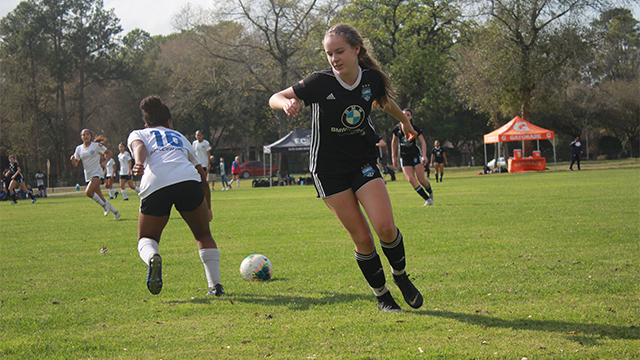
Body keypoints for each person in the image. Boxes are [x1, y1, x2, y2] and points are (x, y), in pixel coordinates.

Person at [269, 23, 423, 312]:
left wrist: (404, 122)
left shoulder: (371, 79)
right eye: (329, 54)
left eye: (339, 51)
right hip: (328, 171)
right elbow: (275, 97)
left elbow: (385, 102)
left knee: (386, 228)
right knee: (363, 238)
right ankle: (382, 295)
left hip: (362, 162)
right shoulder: (319, 82)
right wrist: (286, 104)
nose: (334, 59)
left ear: (356, 50)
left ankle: (401, 277)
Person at [128, 95, 224, 297]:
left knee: (147, 237)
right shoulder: (179, 136)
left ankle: (153, 256)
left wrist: (138, 162)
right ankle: (215, 286)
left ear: (146, 124)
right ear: (169, 122)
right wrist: (208, 206)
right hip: (188, 180)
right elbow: (202, 177)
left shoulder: (138, 133)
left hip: (156, 182)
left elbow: (140, 147)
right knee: (203, 235)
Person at [70, 129, 120, 219]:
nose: (86, 136)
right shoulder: (79, 149)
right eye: (83, 135)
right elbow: (76, 163)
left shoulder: (96, 146)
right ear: (81, 137)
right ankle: (116, 212)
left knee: (88, 192)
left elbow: (109, 153)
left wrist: (105, 162)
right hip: (88, 174)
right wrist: (73, 160)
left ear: (90, 136)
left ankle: (104, 207)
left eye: (87, 134)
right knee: (100, 197)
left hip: (97, 173)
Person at [392, 108, 434, 206]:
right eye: (403, 114)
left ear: (411, 117)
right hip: (404, 156)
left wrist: (424, 156)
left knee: (422, 180)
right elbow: (393, 142)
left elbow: (423, 142)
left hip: (415, 155)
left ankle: (430, 191)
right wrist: (393, 157)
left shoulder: (414, 128)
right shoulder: (396, 129)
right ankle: (427, 199)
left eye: (408, 115)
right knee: (411, 179)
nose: (406, 116)